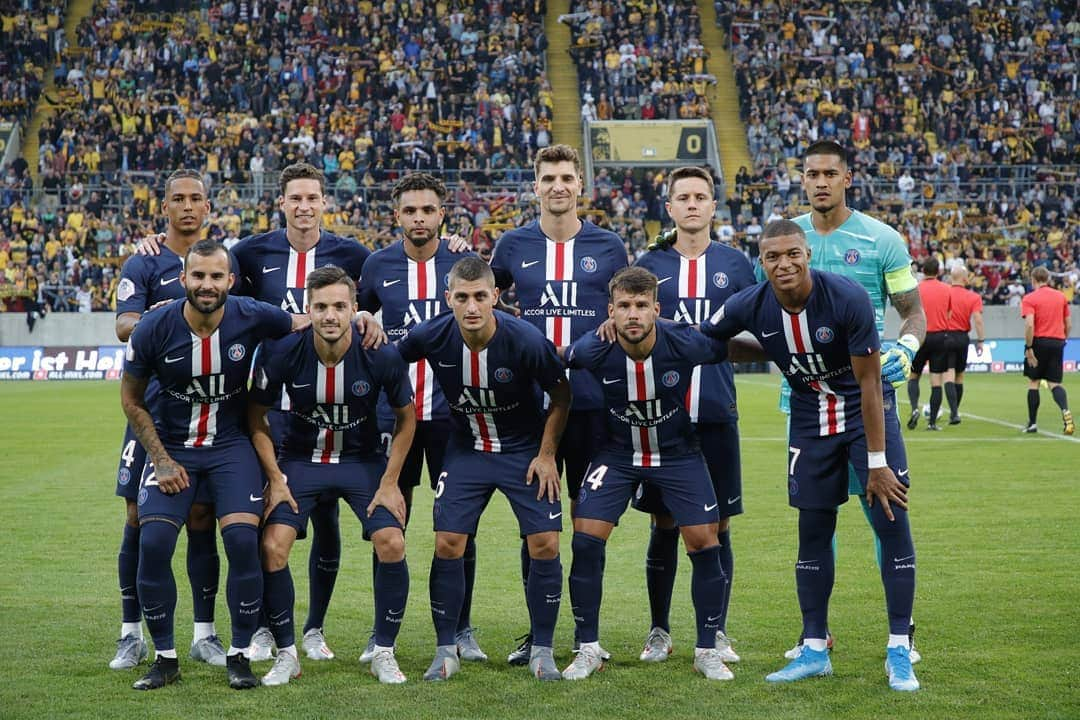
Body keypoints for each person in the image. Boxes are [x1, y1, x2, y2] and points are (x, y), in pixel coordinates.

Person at [700, 221, 919, 692]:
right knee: (813, 530)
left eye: (792, 254)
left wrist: (877, 464)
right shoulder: (750, 303)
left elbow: (868, 384)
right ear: (761, 262)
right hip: (808, 420)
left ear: (807, 255)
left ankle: (900, 648)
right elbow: (707, 340)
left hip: (865, 416)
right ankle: (815, 648)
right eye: (772, 257)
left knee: (890, 518)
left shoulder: (847, 298)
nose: (784, 264)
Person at [120, 241, 310, 690]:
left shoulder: (252, 314)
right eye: (198, 276)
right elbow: (130, 399)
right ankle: (164, 658)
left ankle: (239, 655)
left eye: (216, 277)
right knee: (155, 542)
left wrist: (357, 319)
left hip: (229, 447)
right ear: (184, 279)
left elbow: (305, 322)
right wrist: (162, 461)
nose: (207, 285)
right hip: (173, 448)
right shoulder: (154, 328)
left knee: (243, 542)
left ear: (230, 280)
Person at [395, 257, 571, 682]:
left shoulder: (526, 340)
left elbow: (562, 396)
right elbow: (388, 362)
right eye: (462, 297)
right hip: (466, 450)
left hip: (522, 451)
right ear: (448, 299)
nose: (471, 307)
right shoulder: (431, 335)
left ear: (496, 296)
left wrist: (546, 455)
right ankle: (445, 650)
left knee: (545, 543)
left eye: (479, 297)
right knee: (448, 542)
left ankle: (543, 651)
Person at [784, 140, 926, 661]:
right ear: (802, 179)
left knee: (883, 513)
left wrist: (907, 346)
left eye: (830, 173)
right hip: (803, 403)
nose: (820, 182)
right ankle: (814, 634)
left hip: (867, 400)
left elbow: (913, 311)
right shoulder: (786, 240)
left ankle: (902, 632)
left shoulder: (881, 239)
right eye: (811, 173)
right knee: (816, 520)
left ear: (848, 178)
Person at [489, 143, 627, 664]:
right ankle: (537, 632)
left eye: (567, 177)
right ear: (535, 186)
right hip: (529, 407)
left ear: (580, 187)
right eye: (548, 178)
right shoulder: (512, 244)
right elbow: (486, 299)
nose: (558, 186)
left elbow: (625, 308)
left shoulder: (609, 245)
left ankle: (587, 634)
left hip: (593, 402)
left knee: (587, 524)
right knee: (537, 526)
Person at [562, 266, 734, 682]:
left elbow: (729, 344)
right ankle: (588, 647)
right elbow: (555, 362)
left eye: (642, 306)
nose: (633, 314)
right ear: (610, 311)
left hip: (677, 454)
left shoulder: (684, 341)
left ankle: (707, 649)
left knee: (703, 540)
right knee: (585, 537)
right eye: (624, 306)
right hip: (617, 454)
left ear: (657, 309)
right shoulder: (592, 350)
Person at [250, 266, 416, 686]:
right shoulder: (283, 351)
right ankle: (287, 653)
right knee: (273, 547)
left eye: (339, 306)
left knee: (391, 541)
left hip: (362, 463)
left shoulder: (380, 353)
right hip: (301, 461)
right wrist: (275, 477)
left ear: (355, 309)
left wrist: (390, 480)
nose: (330, 315)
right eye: (321, 307)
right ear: (307, 309)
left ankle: (384, 650)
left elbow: (406, 419)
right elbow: (255, 419)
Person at [357, 172, 487, 663]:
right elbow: (360, 319)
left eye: (427, 210)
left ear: (441, 214)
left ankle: (461, 629)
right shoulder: (377, 265)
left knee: (458, 525)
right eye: (410, 210)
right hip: (395, 417)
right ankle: (380, 630)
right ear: (398, 216)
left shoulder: (462, 262)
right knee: (389, 522)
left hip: (455, 417)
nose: (419, 218)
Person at [632, 166, 755, 664]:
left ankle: (716, 631)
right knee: (664, 523)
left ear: (712, 205)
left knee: (719, 525)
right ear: (670, 206)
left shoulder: (736, 264)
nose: (692, 205)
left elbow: (753, 330)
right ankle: (659, 630)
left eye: (700, 196)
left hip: (717, 412)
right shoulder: (649, 263)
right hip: (661, 417)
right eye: (682, 197)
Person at [109, 169, 223, 671]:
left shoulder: (222, 258)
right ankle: (130, 632)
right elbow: (122, 324)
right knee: (136, 515)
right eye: (178, 199)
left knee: (201, 517)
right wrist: (173, 312)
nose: (188, 207)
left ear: (207, 206)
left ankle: (204, 633)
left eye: (196, 198)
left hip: (211, 411)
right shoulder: (145, 260)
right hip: (150, 411)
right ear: (165, 207)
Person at [1021, 266, 1073, 435]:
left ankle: (1032, 423)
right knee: (1054, 383)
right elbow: (1069, 323)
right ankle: (1065, 410)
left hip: (1039, 341)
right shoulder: (1060, 297)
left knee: (1034, 382)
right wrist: (1064, 339)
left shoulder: (1030, 298)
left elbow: (1029, 324)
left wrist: (1029, 347)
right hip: (1057, 341)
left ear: (1033, 279)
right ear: (1048, 279)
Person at [906, 257, 952, 431]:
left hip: (920, 335)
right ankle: (932, 422)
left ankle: (914, 409)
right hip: (940, 337)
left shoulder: (915, 289)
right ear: (938, 271)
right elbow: (949, 313)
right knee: (936, 381)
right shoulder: (947, 289)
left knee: (914, 376)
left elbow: (909, 312)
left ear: (923, 271)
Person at [941, 266, 985, 424]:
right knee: (959, 376)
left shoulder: (944, 293)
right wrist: (981, 340)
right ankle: (955, 412)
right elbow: (978, 320)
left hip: (945, 336)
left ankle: (953, 413)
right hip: (962, 338)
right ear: (965, 278)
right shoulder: (973, 297)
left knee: (948, 374)